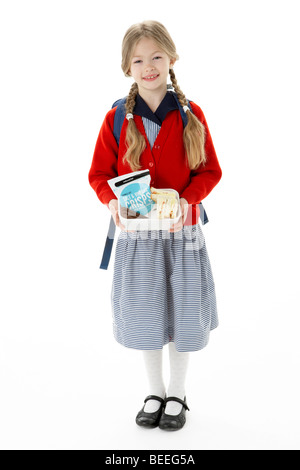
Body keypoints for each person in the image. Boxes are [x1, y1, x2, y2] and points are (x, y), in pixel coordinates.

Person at [88, 20, 222, 431]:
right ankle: (155, 390)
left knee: (182, 314)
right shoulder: (116, 118)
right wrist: (112, 203)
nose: (149, 67)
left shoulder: (190, 114)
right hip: (138, 240)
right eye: (139, 60)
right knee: (147, 314)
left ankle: (178, 394)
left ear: (172, 59)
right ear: (127, 67)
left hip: (182, 237)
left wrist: (188, 198)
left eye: (157, 57)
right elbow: (98, 174)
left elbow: (210, 171)